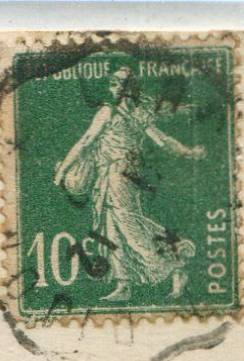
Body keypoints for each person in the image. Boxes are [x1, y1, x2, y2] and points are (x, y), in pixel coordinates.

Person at [53, 67, 207, 302]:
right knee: (112, 227)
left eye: (118, 83)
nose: (112, 87)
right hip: (112, 176)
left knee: (129, 227)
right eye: (112, 83)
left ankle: (176, 265)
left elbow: (85, 142)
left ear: (127, 89)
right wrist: (190, 152)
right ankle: (124, 284)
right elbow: (163, 141)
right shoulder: (136, 114)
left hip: (118, 176)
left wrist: (63, 170)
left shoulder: (112, 112)